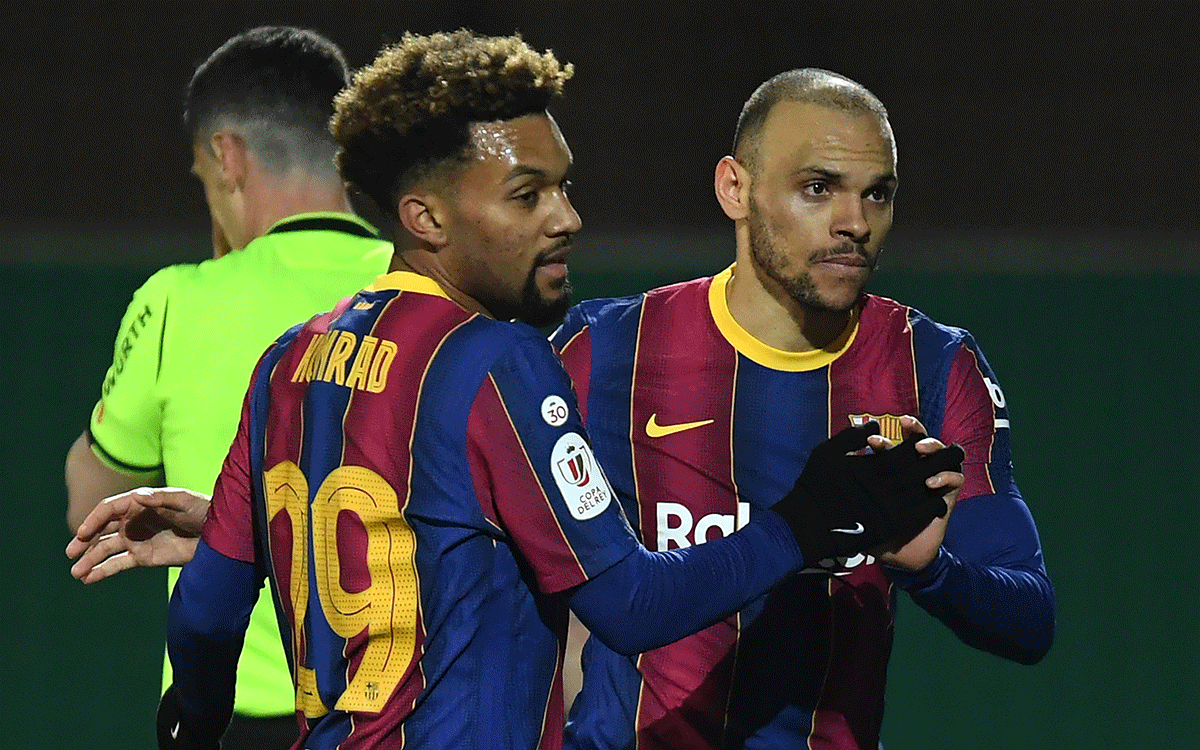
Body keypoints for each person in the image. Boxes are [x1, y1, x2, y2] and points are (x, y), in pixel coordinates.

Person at [68, 33, 967, 750]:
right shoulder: (495, 363)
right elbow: (631, 606)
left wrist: (189, 720)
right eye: (527, 193)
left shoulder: (287, 364)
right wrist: (807, 519)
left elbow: (207, 610)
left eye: (564, 187)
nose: (567, 217)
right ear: (427, 218)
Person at [550, 68, 1056, 749]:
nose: (855, 223)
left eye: (878, 194)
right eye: (818, 188)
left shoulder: (932, 365)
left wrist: (931, 571)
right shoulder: (605, 349)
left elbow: (1030, 621)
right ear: (735, 188)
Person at [63, 26, 393, 750]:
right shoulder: (424, 283)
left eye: (204, 181)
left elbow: (91, 504)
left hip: (229, 719)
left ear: (227, 156)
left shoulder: (176, 302)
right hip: (398, 706)